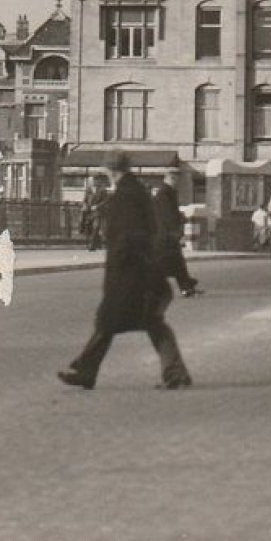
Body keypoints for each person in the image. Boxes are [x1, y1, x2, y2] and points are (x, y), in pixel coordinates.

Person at [58, 153, 192, 390]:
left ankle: (86, 371)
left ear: (111, 170)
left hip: (131, 275)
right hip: (143, 273)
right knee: (144, 323)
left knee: (110, 323)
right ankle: (175, 373)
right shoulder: (137, 192)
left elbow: (128, 237)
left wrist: (120, 265)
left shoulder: (124, 196)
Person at [151, 168, 202, 297]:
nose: (178, 181)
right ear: (170, 177)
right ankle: (185, 285)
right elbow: (168, 216)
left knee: (176, 262)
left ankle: (186, 286)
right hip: (165, 235)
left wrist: (181, 217)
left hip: (167, 235)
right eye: (176, 178)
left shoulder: (169, 192)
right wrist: (178, 233)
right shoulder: (164, 193)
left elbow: (172, 213)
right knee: (167, 264)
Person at [80, 174, 110, 251]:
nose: (91, 183)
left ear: (96, 181)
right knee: (93, 228)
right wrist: (84, 205)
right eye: (90, 182)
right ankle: (99, 244)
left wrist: (97, 206)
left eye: (92, 181)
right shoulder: (88, 190)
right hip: (90, 212)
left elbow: (105, 201)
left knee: (96, 227)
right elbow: (85, 199)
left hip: (100, 212)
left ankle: (92, 246)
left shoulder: (102, 189)